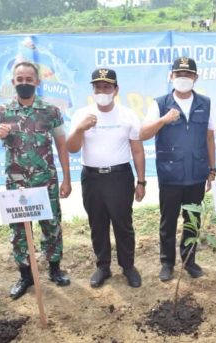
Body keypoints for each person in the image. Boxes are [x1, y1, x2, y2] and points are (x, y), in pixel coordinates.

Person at [0, 61, 72, 300]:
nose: (24, 84)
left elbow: (62, 144)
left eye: (28, 80)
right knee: (20, 232)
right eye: (19, 80)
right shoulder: (1, 112)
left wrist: (66, 179)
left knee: (51, 227)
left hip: (46, 182)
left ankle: (54, 269)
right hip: (17, 184)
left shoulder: (51, 111)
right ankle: (26, 276)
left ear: (37, 83)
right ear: (13, 82)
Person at [67, 68, 145, 288]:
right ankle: (103, 266)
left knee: (123, 224)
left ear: (116, 90)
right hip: (92, 178)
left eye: (107, 87)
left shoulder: (128, 115)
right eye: (98, 87)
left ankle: (128, 266)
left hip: (119, 176)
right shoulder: (82, 114)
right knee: (97, 224)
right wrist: (80, 129)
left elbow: (137, 150)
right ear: (92, 90)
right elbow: (72, 148)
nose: (102, 91)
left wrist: (141, 181)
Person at [140, 57, 216, 281]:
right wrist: (163, 120)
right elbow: (143, 134)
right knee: (168, 220)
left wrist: (212, 170)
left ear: (195, 78)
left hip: (196, 174)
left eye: (188, 75)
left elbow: (210, 137)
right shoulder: (160, 103)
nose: (183, 78)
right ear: (171, 76)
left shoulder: (205, 103)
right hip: (170, 175)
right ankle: (167, 263)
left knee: (193, 219)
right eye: (179, 74)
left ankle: (189, 260)